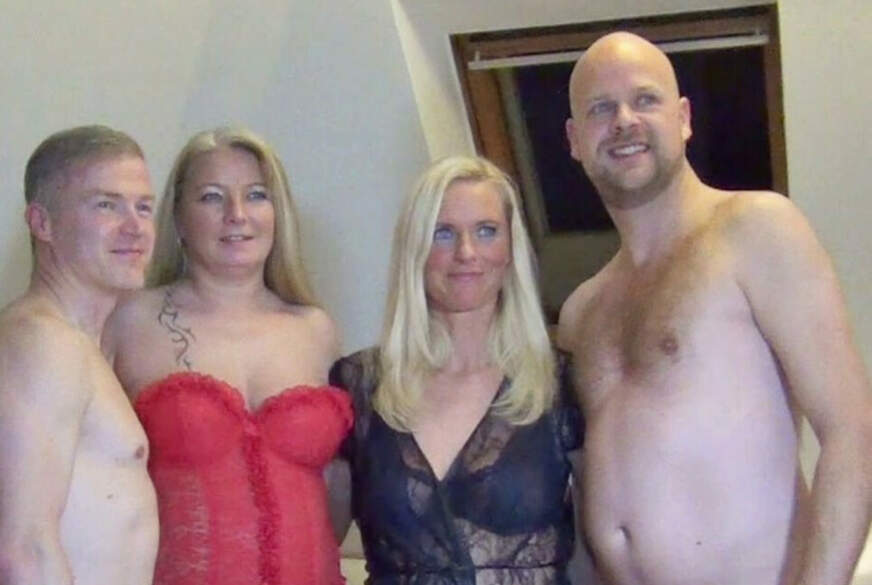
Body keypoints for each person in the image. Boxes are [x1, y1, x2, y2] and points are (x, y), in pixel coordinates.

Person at [558, 31, 872, 585]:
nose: (624, 120)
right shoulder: (582, 311)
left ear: (683, 118)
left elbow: (853, 433)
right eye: (600, 108)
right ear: (574, 140)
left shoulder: (754, 228)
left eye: (645, 99)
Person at [102, 126, 352, 585]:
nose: (237, 215)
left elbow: (337, 490)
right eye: (212, 197)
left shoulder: (316, 330)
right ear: (178, 218)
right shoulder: (129, 319)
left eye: (256, 195)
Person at [329, 155, 585, 585]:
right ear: (414, 250)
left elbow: (601, 543)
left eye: (486, 231)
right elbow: (315, 542)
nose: (466, 253)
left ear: (511, 249)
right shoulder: (359, 385)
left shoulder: (561, 382)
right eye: (443, 233)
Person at [0, 125, 158, 585]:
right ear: (42, 223)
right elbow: (24, 550)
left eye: (143, 207)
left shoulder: (80, 346)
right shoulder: (42, 343)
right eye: (107, 205)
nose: (135, 227)